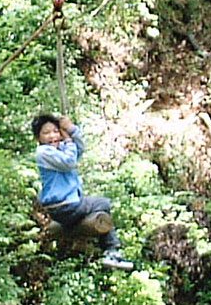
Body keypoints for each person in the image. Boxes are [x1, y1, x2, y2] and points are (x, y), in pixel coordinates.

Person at [32, 114, 134, 271]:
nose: (52, 136)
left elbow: (79, 149)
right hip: (64, 205)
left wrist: (71, 130)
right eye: (46, 133)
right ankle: (112, 250)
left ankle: (109, 251)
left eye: (55, 131)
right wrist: (67, 140)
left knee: (97, 210)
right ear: (38, 138)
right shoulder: (44, 152)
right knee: (103, 203)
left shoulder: (61, 150)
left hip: (66, 206)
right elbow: (69, 162)